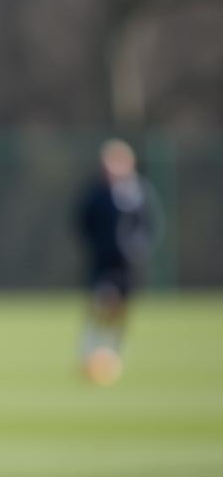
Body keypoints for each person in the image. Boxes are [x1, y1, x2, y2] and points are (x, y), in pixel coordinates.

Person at [76, 138, 160, 381]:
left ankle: (114, 353)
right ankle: (88, 351)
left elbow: (150, 224)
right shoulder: (96, 193)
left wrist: (138, 247)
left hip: (128, 263)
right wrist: (95, 244)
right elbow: (83, 221)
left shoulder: (139, 192)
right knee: (100, 302)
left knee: (122, 308)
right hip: (103, 259)